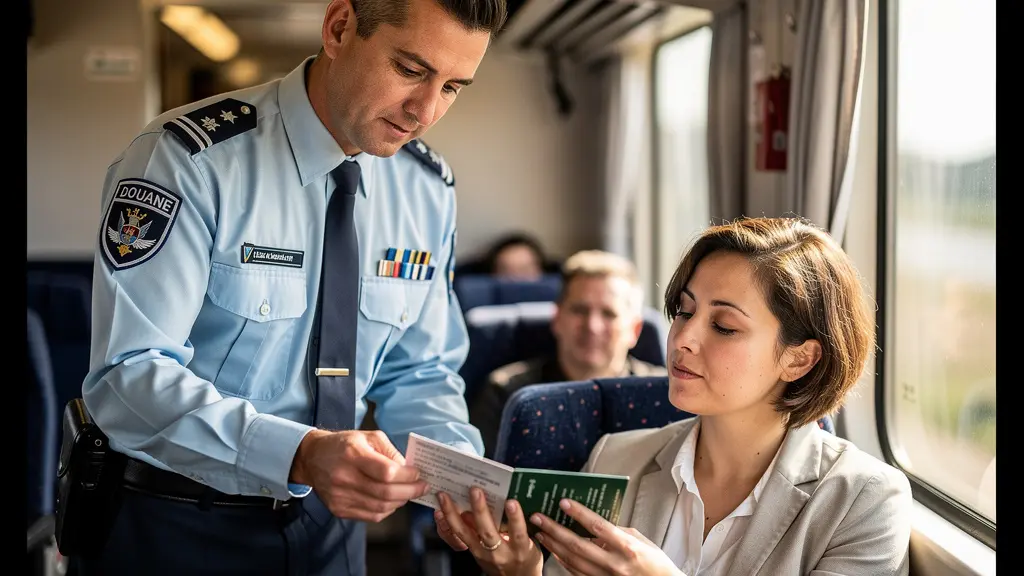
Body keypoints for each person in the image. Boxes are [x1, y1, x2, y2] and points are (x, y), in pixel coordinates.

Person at [76, 0, 507, 574]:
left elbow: (419, 372)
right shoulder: (188, 161)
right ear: (339, 27)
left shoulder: (427, 188)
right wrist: (300, 455)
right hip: (177, 517)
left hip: (332, 528)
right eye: (410, 70)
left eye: (453, 87)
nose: (425, 111)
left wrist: (463, 483)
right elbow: (128, 374)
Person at [434, 217, 913, 575]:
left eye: (724, 326)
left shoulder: (864, 500)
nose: (682, 339)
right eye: (684, 312)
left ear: (799, 359)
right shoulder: (617, 456)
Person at [470, 249, 666, 457]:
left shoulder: (663, 394)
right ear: (557, 318)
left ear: (634, 330)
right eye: (580, 310)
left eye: (609, 314)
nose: (592, 326)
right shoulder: (506, 393)